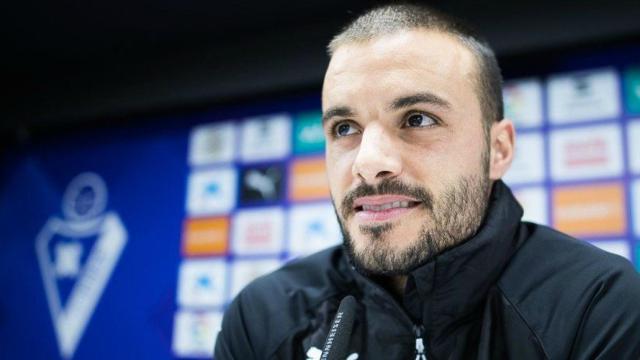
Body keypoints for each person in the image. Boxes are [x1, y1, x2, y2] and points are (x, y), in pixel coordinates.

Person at [214, 4, 640, 359]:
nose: (369, 163)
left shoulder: (597, 305)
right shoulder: (265, 318)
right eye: (345, 128)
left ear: (499, 150)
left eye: (417, 119)